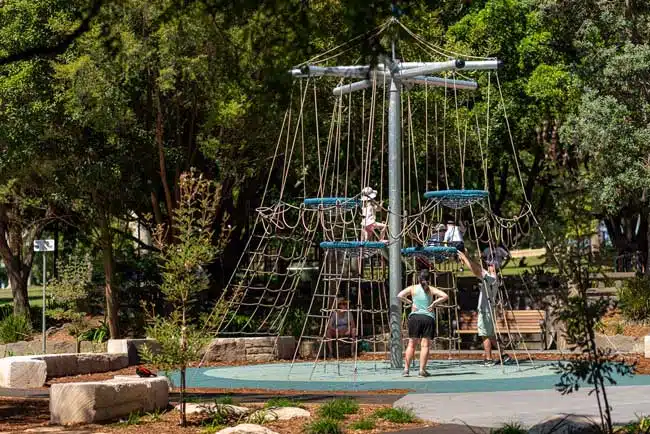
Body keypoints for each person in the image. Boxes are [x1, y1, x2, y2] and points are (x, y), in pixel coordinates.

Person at [457, 250, 511, 366]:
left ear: (494, 268)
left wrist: (465, 258)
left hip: (486, 310)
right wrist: (468, 256)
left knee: (484, 334)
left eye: (491, 265)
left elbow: (476, 270)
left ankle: (488, 359)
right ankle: (504, 354)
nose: (488, 266)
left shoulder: (491, 278)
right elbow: (478, 267)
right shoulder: (492, 277)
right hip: (488, 310)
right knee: (490, 334)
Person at [397, 269, 449, 377]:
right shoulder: (431, 289)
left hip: (415, 318)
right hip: (428, 318)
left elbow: (400, 295)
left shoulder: (413, 288)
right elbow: (445, 296)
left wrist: (410, 302)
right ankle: (422, 370)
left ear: (418, 278)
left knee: (411, 344)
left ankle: (406, 370)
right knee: (425, 345)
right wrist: (434, 303)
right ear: (429, 279)